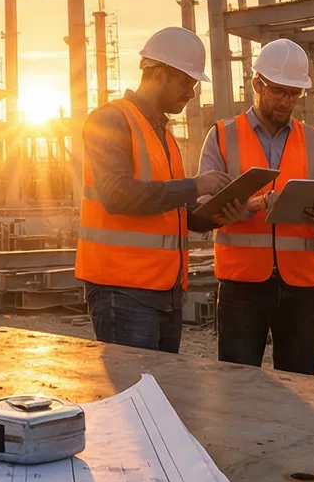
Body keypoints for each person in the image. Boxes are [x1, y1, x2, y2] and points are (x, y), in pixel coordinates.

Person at [77, 26, 249, 353]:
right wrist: (196, 185)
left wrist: (218, 215)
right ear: (158, 74)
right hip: (123, 291)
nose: (192, 93)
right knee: (134, 396)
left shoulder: (163, 133)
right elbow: (118, 195)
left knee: (158, 395)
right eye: (186, 82)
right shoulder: (110, 120)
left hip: (164, 291)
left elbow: (173, 213)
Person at [197, 38, 314, 375]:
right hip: (242, 284)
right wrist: (251, 205)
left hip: (301, 285)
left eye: (295, 93)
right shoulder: (222, 135)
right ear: (257, 85)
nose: (287, 101)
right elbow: (203, 209)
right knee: (237, 384)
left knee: (301, 382)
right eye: (278, 91)